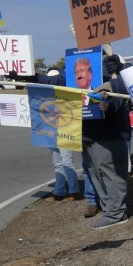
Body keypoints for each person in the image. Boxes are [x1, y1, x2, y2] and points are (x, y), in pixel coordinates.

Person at [82, 53, 132, 229]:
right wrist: (32, 76)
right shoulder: (78, 76)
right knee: (96, 174)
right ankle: (108, 209)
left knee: (111, 175)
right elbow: (55, 81)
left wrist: (108, 106)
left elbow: (120, 98)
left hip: (109, 136)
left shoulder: (113, 75)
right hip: (88, 135)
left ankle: (116, 213)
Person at [43, 68, 82, 202]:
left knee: (66, 160)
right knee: (57, 162)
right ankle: (59, 191)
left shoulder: (66, 94)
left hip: (65, 130)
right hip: (51, 130)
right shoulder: (44, 97)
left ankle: (73, 191)